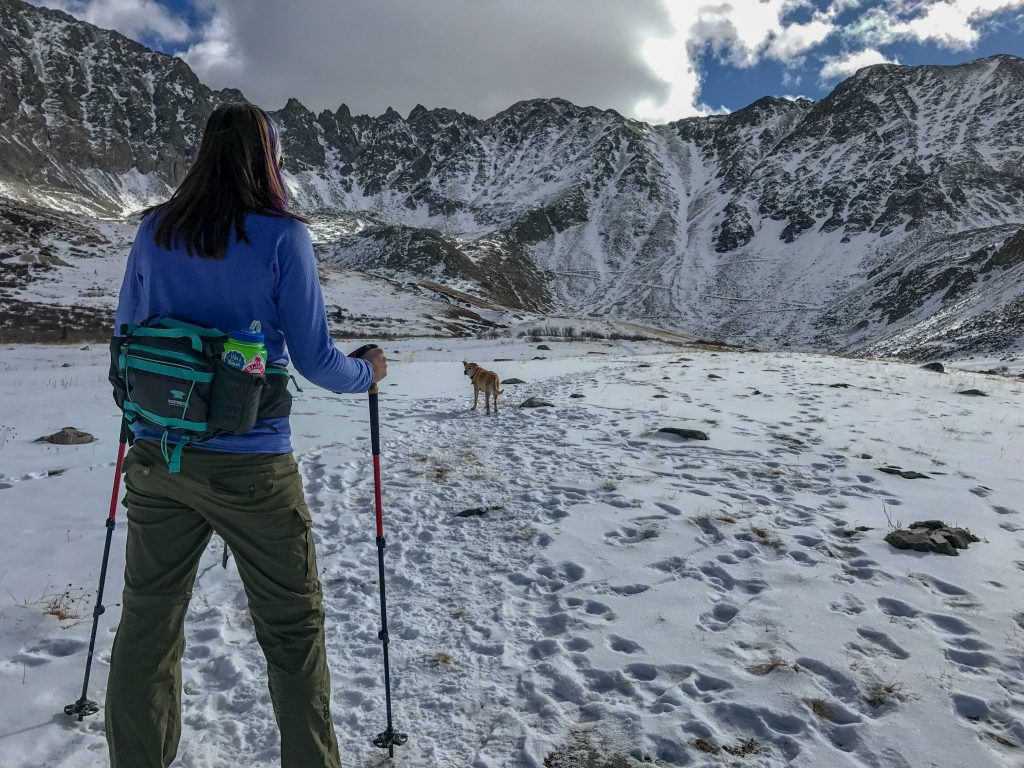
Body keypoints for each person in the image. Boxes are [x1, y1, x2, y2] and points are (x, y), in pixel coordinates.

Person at [105, 102, 386, 768]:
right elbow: (318, 362)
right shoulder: (281, 238)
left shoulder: (153, 232)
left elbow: (123, 338)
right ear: (267, 158)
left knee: (148, 624)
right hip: (251, 468)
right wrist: (367, 374)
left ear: (202, 154)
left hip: (158, 454)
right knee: (292, 633)